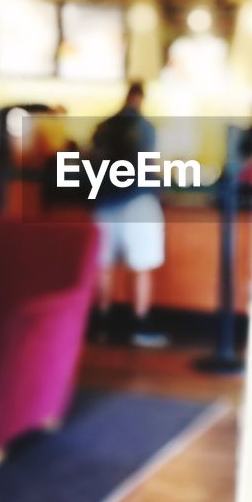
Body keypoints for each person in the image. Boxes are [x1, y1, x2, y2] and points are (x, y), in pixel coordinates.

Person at [90, 82, 167, 347]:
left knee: (103, 267)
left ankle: (101, 323)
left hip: (104, 203)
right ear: (141, 98)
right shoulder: (145, 128)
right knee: (141, 266)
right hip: (138, 202)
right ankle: (139, 323)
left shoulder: (103, 127)